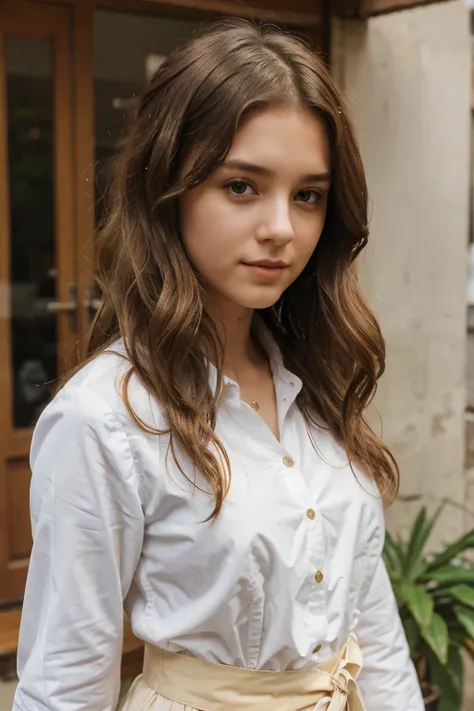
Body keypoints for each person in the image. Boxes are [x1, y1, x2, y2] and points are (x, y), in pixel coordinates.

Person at [13, 19, 424, 711]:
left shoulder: (316, 381)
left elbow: (370, 627)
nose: (282, 228)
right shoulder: (106, 419)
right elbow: (64, 680)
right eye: (241, 186)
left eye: (308, 195)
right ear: (167, 189)